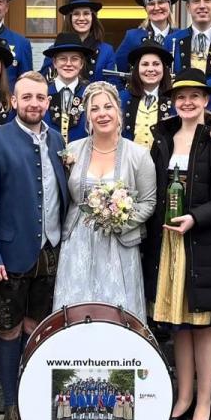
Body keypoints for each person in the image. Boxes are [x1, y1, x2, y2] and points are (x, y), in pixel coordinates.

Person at [144, 68, 211, 420]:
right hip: (167, 244)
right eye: (180, 97)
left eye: (194, 96)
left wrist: (196, 218)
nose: (187, 103)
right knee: (179, 326)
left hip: (203, 243)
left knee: (204, 326)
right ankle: (184, 396)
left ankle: (204, 401)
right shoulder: (163, 138)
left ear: (205, 100)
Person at [0, 71, 70, 420]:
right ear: (13, 101)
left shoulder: (58, 140)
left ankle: (36, 398)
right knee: (10, 329)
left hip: (51, 250)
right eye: (26, 97)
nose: (34, 103)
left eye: (40, 97)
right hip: (10, 253)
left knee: (39, 327)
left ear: (48, 102)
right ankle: (12, 406)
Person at [53, 82, 157, 321]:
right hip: (78, 242)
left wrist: (118, 220)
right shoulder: (73, 150)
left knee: (116, 312)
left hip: (119, 243)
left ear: (118, 111)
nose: (102, 114)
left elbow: (148, 202)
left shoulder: (139, 155)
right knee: (76, 310)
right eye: (95, 109)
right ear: (88, 116)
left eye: (108, 107)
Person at [40, 0, 117, 84]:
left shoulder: (106, 51)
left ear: (92, 17)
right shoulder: (54, 50)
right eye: (76, 14)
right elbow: (43, 82)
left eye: (86, 13)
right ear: (70, 18)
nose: (81, 18)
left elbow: (114, 85)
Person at [114, 0, 178, 74]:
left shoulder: (181, 36)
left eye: (161, 2)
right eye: (151, 4)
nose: (156, 7)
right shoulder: (132, 37)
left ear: (169, 5)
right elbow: (119, 70)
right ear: (145, 8)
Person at [120, 39, 174, 149]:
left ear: (164, 68)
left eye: (156, 64)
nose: (150, 69)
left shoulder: (173, 99)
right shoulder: (122, 98)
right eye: (145, 64)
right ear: (137, 69)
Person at [41, 33, 93, 143]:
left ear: (81, 63)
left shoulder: (91, 95)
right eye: (63, 58)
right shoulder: (42, 94)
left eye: (74, 59)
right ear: (54, 63)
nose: (68, 64)